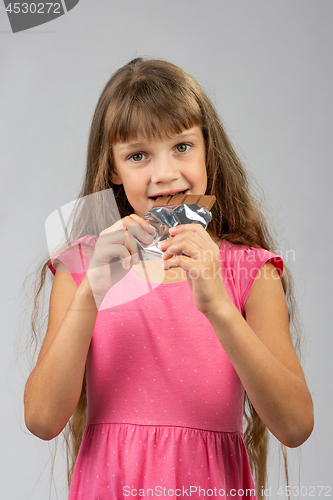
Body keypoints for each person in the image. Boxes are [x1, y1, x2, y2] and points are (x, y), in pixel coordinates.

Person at [24, 58, 314, 500]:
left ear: (207, 151)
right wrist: (93, 292)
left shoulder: (251, 271)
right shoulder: (81, 267)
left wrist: (218, 305)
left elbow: (295, 427)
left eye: (181, 146)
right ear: (113, 171)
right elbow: (43, 419)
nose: (164, 173)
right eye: (138, 155)